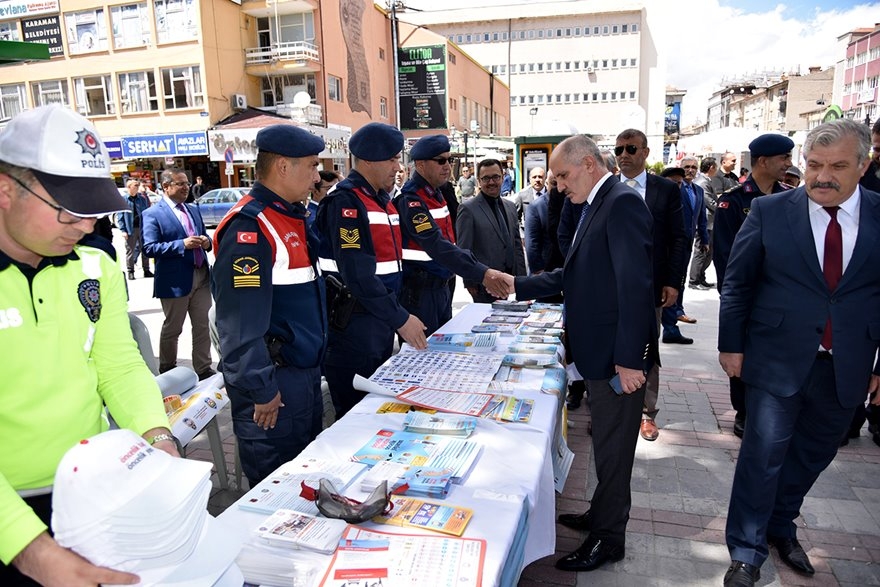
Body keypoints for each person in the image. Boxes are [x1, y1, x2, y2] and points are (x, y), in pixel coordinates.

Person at [0, 105, 176, 587]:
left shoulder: (94, 267)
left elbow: (118, 366)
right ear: (6, 190)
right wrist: (28, 547)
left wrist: (159, 439)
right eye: (68, 209)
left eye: (92, 209)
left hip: (89, 496)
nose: (83, 225)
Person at [719, 119, 880, 587]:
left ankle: (780, 524)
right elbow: (738, 282)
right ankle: (746, 551)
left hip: (846, 363)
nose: (821, 177)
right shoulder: (769, 212)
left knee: (813, 454)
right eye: (813, 165)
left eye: (837, 166)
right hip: (775, 358)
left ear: (864, 165)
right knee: (761, 455)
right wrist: (731, 345)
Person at [514, 134, 656, 573]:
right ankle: (600, 514)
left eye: (562, 175)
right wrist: (516, 284)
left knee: (614, 452)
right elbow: (578, 274)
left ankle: (608, 539)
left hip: (618, 357)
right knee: (607, 449)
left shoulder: (621, 203)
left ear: (590, 165)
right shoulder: (598, 201)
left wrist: (633, 359)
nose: (557, 185)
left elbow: (635, 287)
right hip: (601, 352)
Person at [212, 125, 327, 487]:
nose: (317, 175)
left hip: (300, 376)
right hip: (272, 386)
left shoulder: (288, 216)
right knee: (276, 487)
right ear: (282, 167)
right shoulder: (251, 227)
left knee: (303, 480)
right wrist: (261, 388)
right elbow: (239, 324)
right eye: (311, 166)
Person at [315, 123, 427, 419]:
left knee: (375, 413)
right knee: (356, 418)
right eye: (390, 160)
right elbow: (358, 273)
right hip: (353, 327)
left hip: (376, 323)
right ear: (366, 161)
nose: (397, 167)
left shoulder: (380, 199)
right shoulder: (346, 202)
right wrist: (401, 318)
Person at [713, 133, 793, 438]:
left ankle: (769, 406)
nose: (788, 164)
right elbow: (724, 253)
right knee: (740, 351)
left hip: (780, 295)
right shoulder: (733, 200)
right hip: (746, 293)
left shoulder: (789, 196)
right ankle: (744, 410)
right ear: (763, 161)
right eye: (783, 158)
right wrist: (730, 295)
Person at [612, 128, 687, 442]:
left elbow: (680, 238)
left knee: (646, 348)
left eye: (631, 149)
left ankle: (646, 413)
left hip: (651, 287)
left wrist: (673, 281)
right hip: (611, 287)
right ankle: (611, 411)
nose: (624, 156)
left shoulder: (665, 190)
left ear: (645, 152)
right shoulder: (606, 187)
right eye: (619, 150)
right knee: (609, 346)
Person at [393, 135, 509, 335]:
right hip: (420, 292)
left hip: (441, 287)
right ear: (420, 165)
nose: (447, 166)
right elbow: (437, 245)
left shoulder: (437, 193)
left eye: (449, 160)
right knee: (424, 358)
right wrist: (482, 273)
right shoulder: (411, 200)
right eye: (440, 161)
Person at [142, 168, 215, 379]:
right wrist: (181, 244)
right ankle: (167, 368)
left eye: (187, 183)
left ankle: (203, 368)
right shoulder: (153, 214)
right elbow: (149, 248)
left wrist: (207, 243)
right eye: (180, 184)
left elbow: (205, 237)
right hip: (175, 281)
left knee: (202, 326)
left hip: (201, 275)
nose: (186, 187)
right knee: (173, 327)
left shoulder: (193, 209)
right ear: (166, 187)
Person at [456, 159, 526, 303]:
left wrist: (523, 280)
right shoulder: (468, 209)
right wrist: (469, 282)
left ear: (503, 176)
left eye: (495, 177)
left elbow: (517, 244)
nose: (491, 182)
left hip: (510, 281)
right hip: (484, 283)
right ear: (479, 181)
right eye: (486, 178)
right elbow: (464, 249)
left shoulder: (510, 206)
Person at [661, 157, 708, 343]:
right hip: (666, 248)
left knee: (678, 282)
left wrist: (704, 238)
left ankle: (674, 318)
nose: (690, 170)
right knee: (670, 283)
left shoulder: (698, 191)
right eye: (686, 167)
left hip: (685, 244)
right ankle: (670, 327)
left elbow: (701, 217)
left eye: (693, 167)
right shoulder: (668, 193)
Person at [689, 157, 718, 290]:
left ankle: (701, 277)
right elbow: (707, 201)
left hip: (709, 222)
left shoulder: (706, 181)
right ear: (711, 167)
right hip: (705, 222)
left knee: (708, 252)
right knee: (701, 250)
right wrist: (721, 208)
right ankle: (694, 280)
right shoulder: (702, 182)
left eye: (694, 167)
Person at [118, 178, 152, 279]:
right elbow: (120, 216)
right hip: (130, 229)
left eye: (138, 185)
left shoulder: (142, 199)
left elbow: (146, 213)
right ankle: (130, 271)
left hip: (142, 228)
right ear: (129, 187)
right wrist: (123, 230)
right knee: (130, 251)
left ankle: (146, 270)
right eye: (135, 186)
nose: (137, 187)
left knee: (145, 250)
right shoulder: (123, 200)